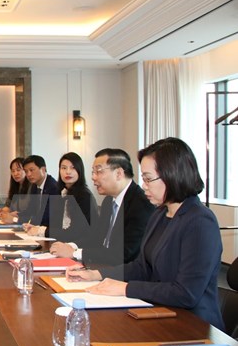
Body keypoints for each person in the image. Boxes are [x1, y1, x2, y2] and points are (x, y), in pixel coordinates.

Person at [67, 138, 224, 330]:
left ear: (172, 175)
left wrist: (125, 288)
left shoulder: (200, 221)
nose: (144, 185)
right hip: (159, 312)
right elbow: (142, 267)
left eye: (148, 179)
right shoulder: (160, 214)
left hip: (193, 325)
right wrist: (96, 274)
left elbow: (186, 293)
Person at [50, 148, 154, 265]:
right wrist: (69, 246)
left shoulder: (141, 204)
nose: (93, 177)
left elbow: (125, 254)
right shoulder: (108, 201)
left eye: (99, 171)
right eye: (93, 172)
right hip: (101, 266)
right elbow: (96, 238)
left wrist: (75, 253)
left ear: (119, 173)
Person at [25, 152, 98, 241]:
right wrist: (36, 228)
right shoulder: (62, 192)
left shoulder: (84, 196)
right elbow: (57, 225)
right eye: (63, 168)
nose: (68, 172)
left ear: (80, 170)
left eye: (73, 168)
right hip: (62, 242)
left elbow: (75, 232)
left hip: (79, 247)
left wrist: (42, 230)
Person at [18, 155, 59, 226]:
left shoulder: (53, 187)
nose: (28, 174)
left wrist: (15, 219)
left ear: (43, 169)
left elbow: (45, 217)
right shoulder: (34, 186)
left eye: (31, 170)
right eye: (26, 171)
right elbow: (30, 210)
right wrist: (16, 215)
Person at [0, 157, 30, 223]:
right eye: (13, 171)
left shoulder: (32, 188)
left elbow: (29, 212)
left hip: (23, 223)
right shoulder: (15, 187)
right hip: (15, 222)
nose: (15, 174)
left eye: (18, 170)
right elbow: (8, 205)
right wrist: (2, 211)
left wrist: (13, 215)